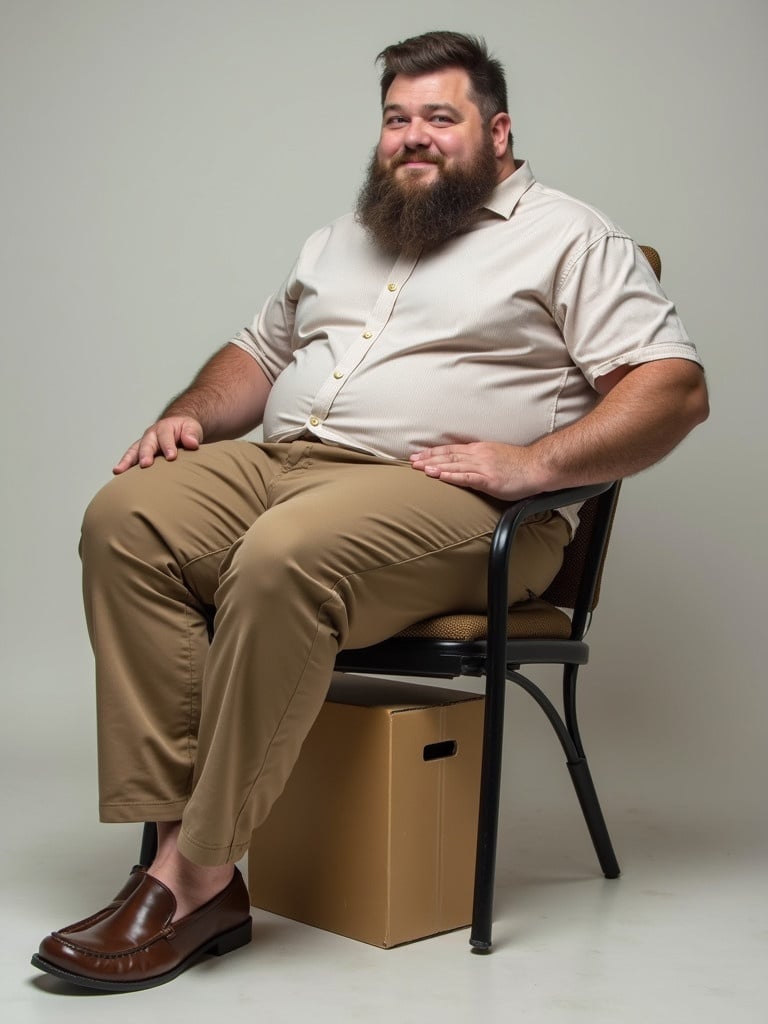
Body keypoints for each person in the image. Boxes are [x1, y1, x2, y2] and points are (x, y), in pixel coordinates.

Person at [32, 30, 708, 991]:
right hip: (290, 461)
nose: (414, 137)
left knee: (284, 555)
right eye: (398, 118)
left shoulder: (571, 236)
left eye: (441, 116)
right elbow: (257, 356)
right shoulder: (343, 236)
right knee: (126, 520)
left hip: (454, 502)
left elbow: (673, 387)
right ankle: (181, 859)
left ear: (498, 130)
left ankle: (192, 875)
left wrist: (536, 463)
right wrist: (186, 415)